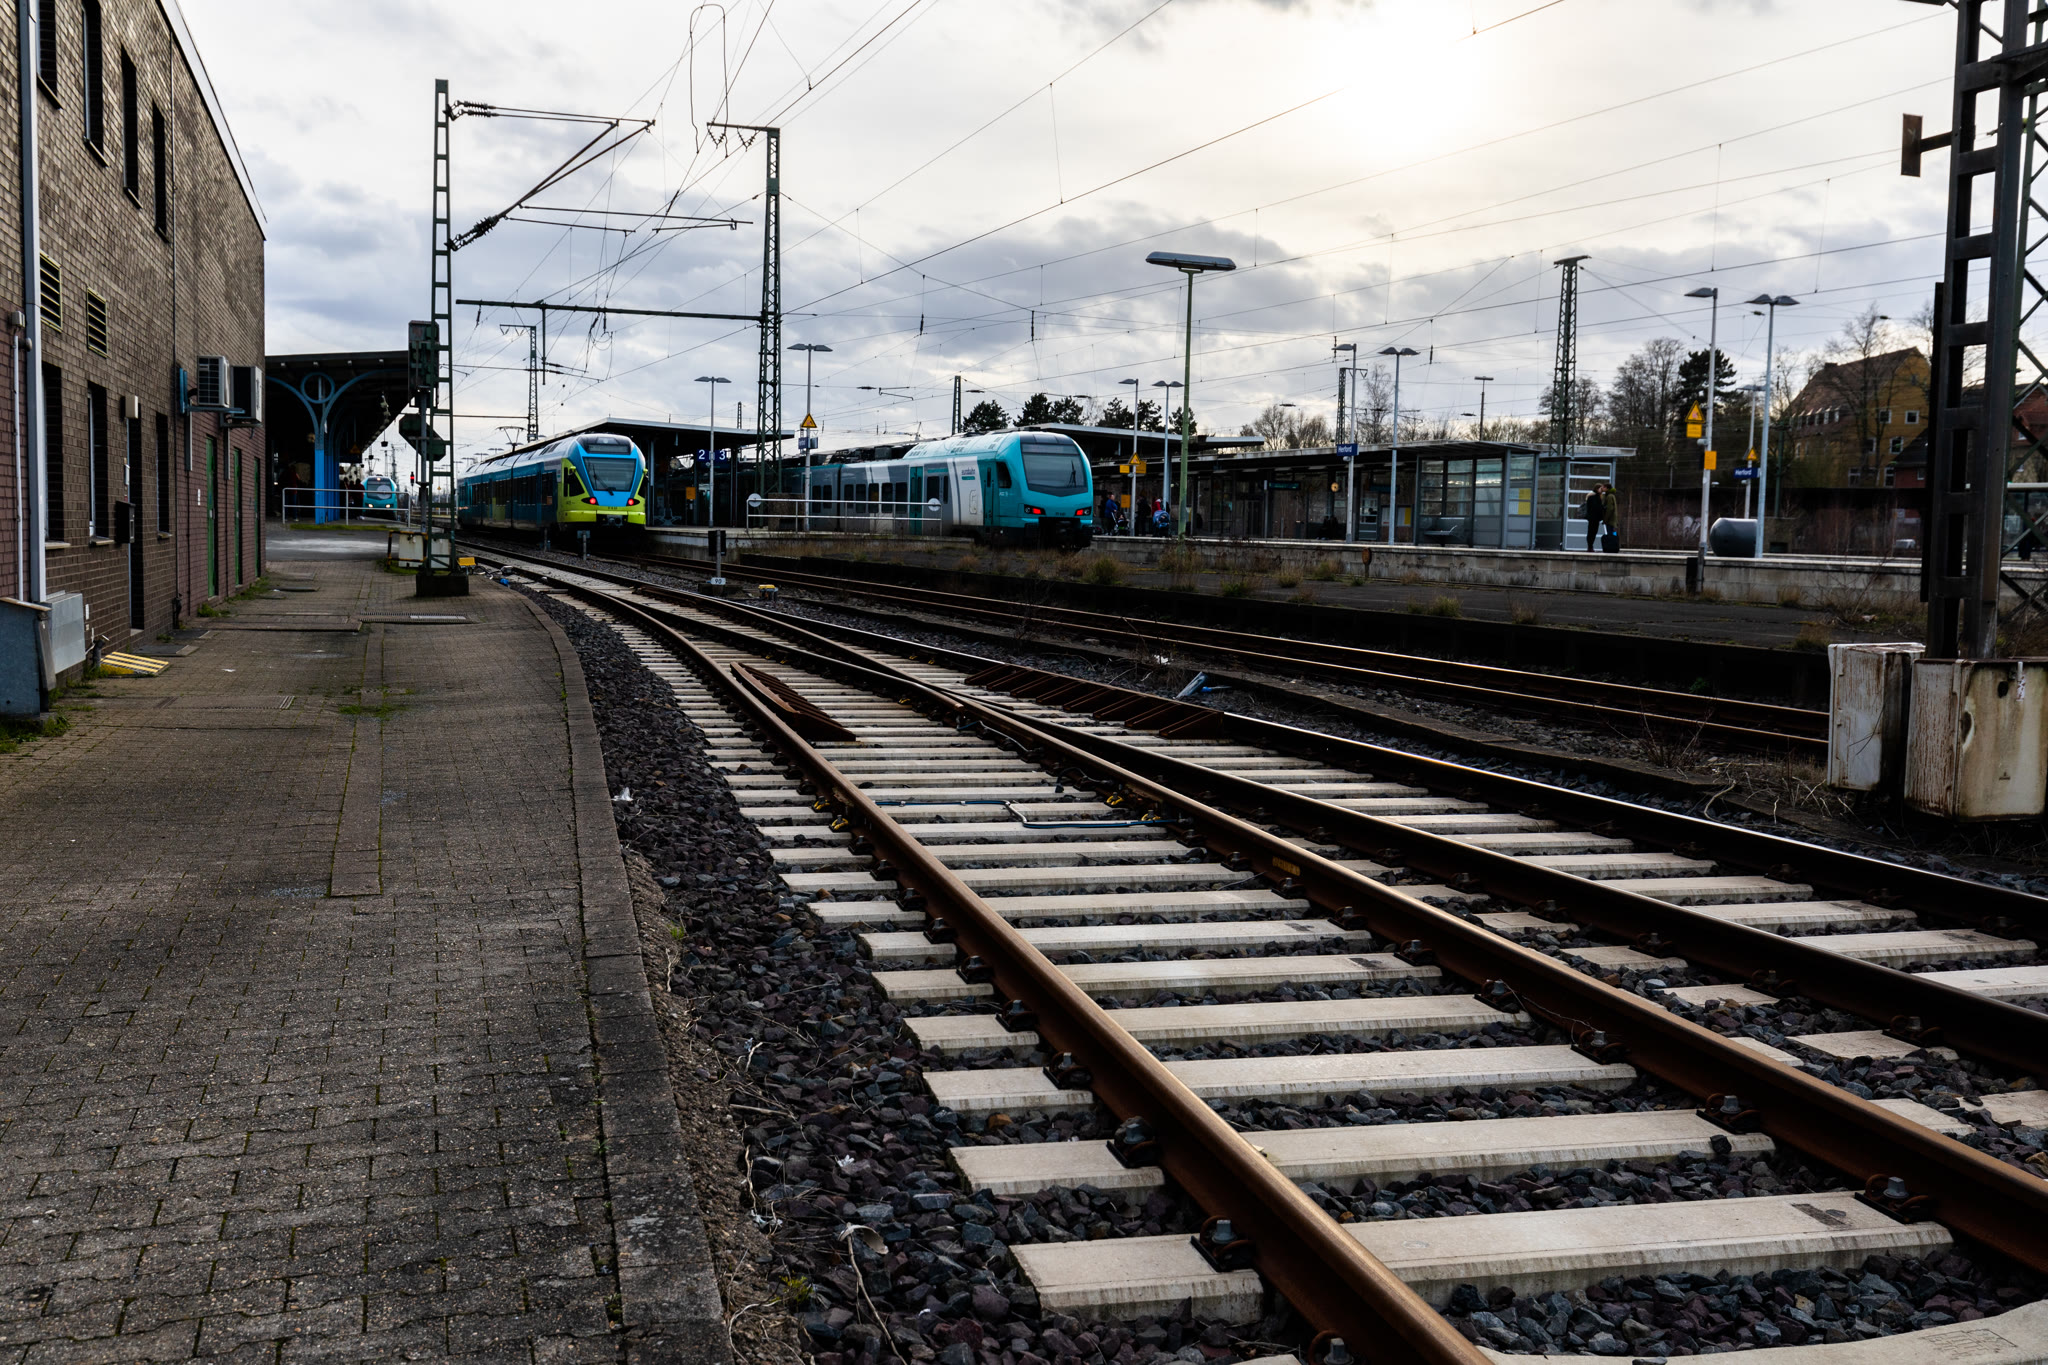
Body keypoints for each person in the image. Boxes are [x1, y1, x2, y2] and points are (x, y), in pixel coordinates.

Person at [1582, 482, 1619, 552]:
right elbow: (1596, 507)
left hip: (1597, 518)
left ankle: (1611, 547)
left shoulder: (1605, 496)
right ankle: (1592, 547)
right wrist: (1603, 511)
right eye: (1600, 488)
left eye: (1603, 488)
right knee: (1593, 532)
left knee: (1609, 532)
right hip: (1594, 518)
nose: (1602, 489)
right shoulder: (1595, 497)